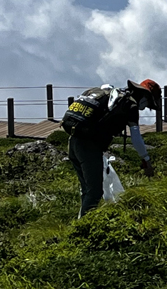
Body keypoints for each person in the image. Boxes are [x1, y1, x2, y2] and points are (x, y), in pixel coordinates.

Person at [61, 79, 160, 217]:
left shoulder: (109, 94)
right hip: (89, 146)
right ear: (145, 96)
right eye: (148, 103)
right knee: (95, 193)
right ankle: (82, 230)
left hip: (73, 140)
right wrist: (146, 159)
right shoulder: (129, 104)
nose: (145, 107)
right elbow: (136, 138)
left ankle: (79, 224)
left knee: (87, 190)